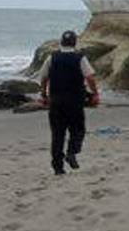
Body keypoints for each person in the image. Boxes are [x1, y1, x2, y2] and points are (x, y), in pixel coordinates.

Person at [38, 31, 99, 175]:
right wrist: (95, 93)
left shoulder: (52, 57)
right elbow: (90, 77)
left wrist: (44, 94)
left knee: (57, 134)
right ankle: (72, 152)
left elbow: (43, 77)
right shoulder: (80, 58)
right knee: (78, 130)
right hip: (75, 100)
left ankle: (58, 167)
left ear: (61, 42)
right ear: (75, 42)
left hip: (56, 101)